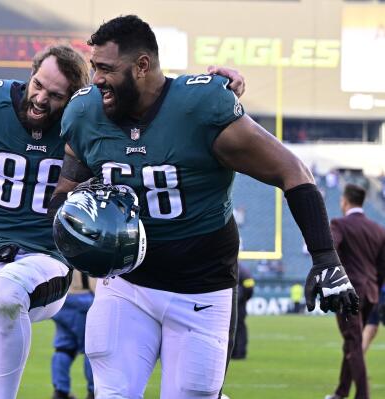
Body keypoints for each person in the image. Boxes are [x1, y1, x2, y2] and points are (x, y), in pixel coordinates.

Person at [0, 42, 244, 398]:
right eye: (37, 84)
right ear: (31, 72)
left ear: (75, 98)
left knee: (6, 294)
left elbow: (152, 98)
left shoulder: (91, 116)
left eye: (55, 95)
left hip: (47, 256)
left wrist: (209, 88)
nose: (40, 98)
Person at [50, 15, 359, 399]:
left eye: (107, 69)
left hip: (200, 288)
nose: (96, 79)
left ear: (142, 66)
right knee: (111, 393)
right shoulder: (85, 113)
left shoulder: (200, 107)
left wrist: (325, 257)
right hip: (126, 285)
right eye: (94, 67)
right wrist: (78, 220)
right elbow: (65, 192)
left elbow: (292, 171)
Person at [325, 184, 385, 399]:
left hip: (348, 293)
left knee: (354, 343)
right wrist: (375, 292)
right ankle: (341, 391)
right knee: (353, 342)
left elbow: (331, 249)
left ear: (345, 201)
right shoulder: (378, 229)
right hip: (371, 293)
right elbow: (382, 267)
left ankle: (362, 395)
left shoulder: (339, 224)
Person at [51, 270, 95, 399]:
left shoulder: (61, 248)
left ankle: (60, 391)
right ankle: (93, 392)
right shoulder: (84, 249)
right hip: (83, 298)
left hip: (61, 300)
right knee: (90, 348)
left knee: (64, 347)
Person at [231, 264, 254, 360]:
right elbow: (249, 288)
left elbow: (249, 287)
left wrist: (242, 299)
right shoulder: (243, 269)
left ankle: (239, 352)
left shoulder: (241, 270)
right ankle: (236, 352)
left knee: (238, 328)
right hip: (237, 303)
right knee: (236, 328)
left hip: (236, 303)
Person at [362, 283, 385, 354]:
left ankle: (355, 361)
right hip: (377, 291)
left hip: (374, 289)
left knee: (371, 328)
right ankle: (356, 361)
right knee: (370, 328)